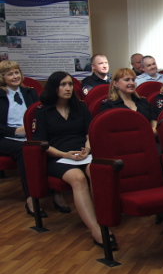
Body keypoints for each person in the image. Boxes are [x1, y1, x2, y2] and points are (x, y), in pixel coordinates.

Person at [34, 71, 117, 250]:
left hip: (82, 153)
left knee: (96, 172)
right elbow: (41, 144)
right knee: (77, 178)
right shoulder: (42, 111)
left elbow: (90, 134)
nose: (68, 88)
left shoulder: (80, 107)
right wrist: (64, 155)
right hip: (57, 157)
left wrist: (87, 149)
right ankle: (95, 230)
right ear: (54, 88)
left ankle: (104, 220)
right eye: (63, 85)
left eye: (70, 84)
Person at [0, 61, 68, 217]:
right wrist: (15, 131)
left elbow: (41, 113)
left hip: (31, 134)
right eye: (10, 74)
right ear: (2, 77)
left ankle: (57, 193)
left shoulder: (29, 92)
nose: (15, 76)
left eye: (17, 72)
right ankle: (31, 197)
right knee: (25, 150)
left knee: (51, 144)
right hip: (6, 136)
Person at [100, 68, 155, 134]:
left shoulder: (143, 102)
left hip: (146, 137)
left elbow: (154, 125)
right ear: (115, 83)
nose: (132, 83)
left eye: (133, 80)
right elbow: (106, 131)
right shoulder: (109, 105)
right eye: (127, 80)